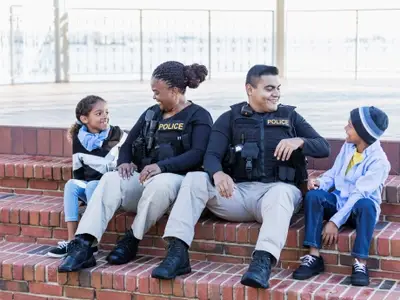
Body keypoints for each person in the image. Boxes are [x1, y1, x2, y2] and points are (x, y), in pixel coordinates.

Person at [151, 64, 331, 289]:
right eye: (269, 88)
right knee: (195, 179)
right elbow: (211, 155)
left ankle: (262, 262)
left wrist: (300, 141)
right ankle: (177, 254)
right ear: (250, 89)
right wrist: (217, 174)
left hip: (275, 195)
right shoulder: (230, 118)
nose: (276, 93)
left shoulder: (290, 117)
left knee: (282, 192)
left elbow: (324, 147)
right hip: (237, 193)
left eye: (278, 88)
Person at [57, 61, 213, 273]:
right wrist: (124, 162)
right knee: (111, 179)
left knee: (161, 183)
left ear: (175, 91)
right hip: (144, 181)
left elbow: (198, 154)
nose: (154, 97)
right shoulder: (151, 113)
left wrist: (161, 166)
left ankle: (132, 239)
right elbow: (128, 144)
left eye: (157, 92)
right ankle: (84, 244)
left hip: (175, 185)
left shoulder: (199, 116)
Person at [292, 106, 390, 287]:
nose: (345, 128)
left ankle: (360, 263)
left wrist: (334, 222)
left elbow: (357, 195)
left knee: (366, 205)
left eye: (350, 125)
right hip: (339, 201)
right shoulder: (348, 147)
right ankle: (314, 256)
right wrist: (320, 182)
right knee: (313, 196)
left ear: (362, 132)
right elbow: (334, 173)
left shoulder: (380, 162)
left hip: (358, 211)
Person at [47, 95, 127, 258]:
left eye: (106, 112)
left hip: (114, 189)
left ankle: (90, 242)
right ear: (84, 119)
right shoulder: (79, 140)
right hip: (92, 189)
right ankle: (72, 241)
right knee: (72, 184)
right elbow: (79, 172)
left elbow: (126, 163)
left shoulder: (118, 135)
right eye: (98, 113)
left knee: (92, 186)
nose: (105, 116)